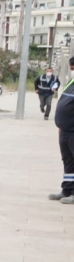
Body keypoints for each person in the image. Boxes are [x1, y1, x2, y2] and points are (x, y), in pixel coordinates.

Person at [49, 57, 74, 204]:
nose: (72, 71)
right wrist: (61, 125)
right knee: (68, 161)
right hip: (65, 130)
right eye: (72, 68)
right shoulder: (71, 82)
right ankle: (67, 189)